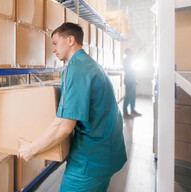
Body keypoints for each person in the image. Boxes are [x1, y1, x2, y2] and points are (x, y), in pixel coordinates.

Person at [17, 23, 127, 192]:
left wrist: (32, 149)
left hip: (91, 161)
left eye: (54, 43)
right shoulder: (91, 64)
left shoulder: (76, 69)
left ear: (70, 40)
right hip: (109, 153)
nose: (53, 50)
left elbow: (64, 127)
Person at [122, 48, 141, 118]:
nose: (132, 52)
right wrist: (139, 51)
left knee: (133, 95)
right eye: (130, 51)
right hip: (129, 80)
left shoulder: (130, 59)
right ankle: (125, 112)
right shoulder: (126, 59)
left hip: (132, 79)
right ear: (127, 52)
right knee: (128, 96)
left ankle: (132, 110)